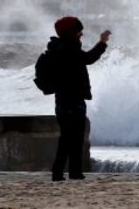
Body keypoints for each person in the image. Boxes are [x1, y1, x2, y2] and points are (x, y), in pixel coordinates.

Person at [44, 16, 110, 181]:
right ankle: (66, 172)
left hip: (63, 101)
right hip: (72, 101)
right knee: (72, 138)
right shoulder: (68, 49)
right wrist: (102, 42)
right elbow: (88, 59)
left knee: (69, 138)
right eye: (79, 31)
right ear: (71, 32)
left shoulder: (60, 47)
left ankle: (67, 172)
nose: (81, 34)